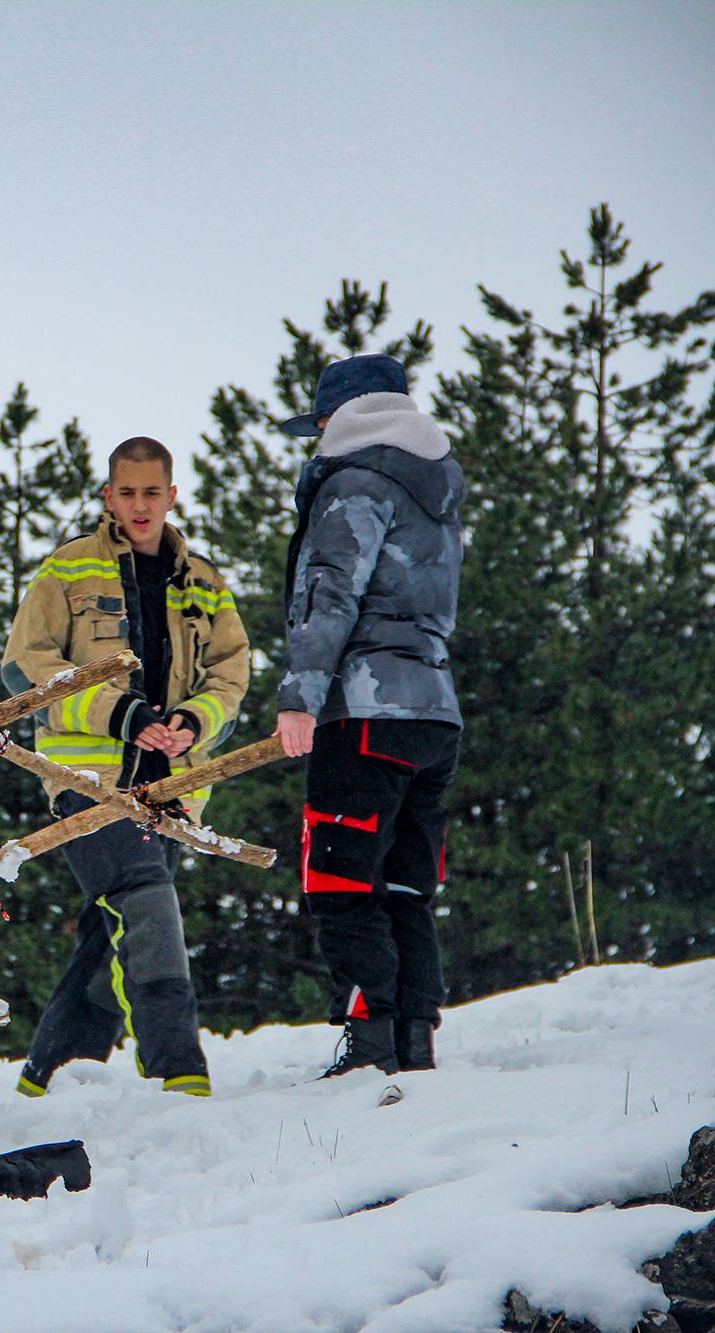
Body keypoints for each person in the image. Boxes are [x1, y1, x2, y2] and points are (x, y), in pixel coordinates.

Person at [2, 436, 249, 1100]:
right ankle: (179, 1068)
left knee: (112, 932)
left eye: (152, 492)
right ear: (108, 497)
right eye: (127, 492)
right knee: (146, 905)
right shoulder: (67, 570)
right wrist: (121, 713)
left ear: (172, 496)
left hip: (173, 791)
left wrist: (194, 720)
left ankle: (48, 1077)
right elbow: (23, 663)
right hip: (89, 786)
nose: (140, 506)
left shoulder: (204, 581)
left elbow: (231, 670)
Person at [274, 354, 464, 1078]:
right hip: (434, 714)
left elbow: (330, 594)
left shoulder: (353, 481)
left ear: (337, 418)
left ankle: (371, 1041)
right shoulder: (433, 489)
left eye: (317, 422)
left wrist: (300, 696)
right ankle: (415, 1039)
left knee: (342, 880)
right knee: (408, 884)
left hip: (363, 710)